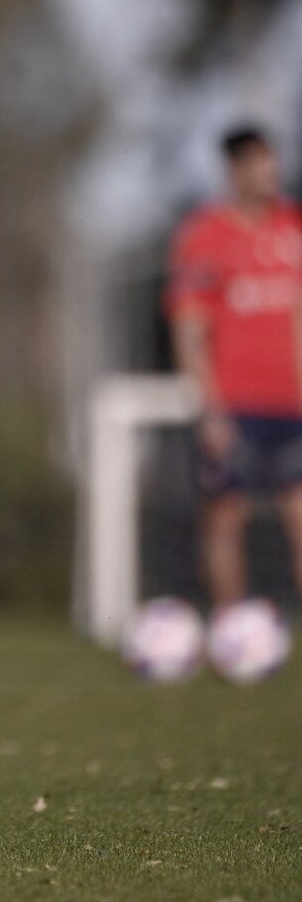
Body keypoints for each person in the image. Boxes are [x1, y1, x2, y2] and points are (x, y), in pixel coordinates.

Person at [167, 125, 302, 610]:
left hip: (292, 402)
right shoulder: (204, 236)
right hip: (235, 402)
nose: (270, 175)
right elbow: (189, 329)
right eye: (258, 166)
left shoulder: (293, 227)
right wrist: (211, 409)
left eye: (274, 164)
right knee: (226, 517)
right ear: (234, 171)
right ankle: (231, 626)